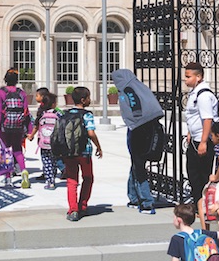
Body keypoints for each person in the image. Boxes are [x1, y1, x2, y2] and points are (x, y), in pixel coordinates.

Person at [112, 68, 164, 214]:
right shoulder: (140, 86)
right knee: (136, 163)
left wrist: (133, 123)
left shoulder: (126, 90)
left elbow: (133, 109)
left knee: (139, 165)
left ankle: (147, 201)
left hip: (139, 131)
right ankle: (133, 197)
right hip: (150, 128)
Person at [60, 86, 103, 221]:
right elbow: (90, 132)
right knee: (88, 178)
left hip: (68, 152)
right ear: (84, 100)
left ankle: (73, 210)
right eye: (89, 97)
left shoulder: (65, 114)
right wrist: (98, 146)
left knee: (72, 180)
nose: (90, 100)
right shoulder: (87, 115)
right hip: (84, 152)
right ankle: (82, 205)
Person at [183, 62, 219, 208]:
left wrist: (203, 142)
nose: (185, 80)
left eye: (188, 77)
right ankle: (199, 203)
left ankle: (203, 205)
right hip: (196, 138)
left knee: (200, 175)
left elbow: (207, 119)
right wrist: (190, 132)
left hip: (202, 141)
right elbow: (195, 117)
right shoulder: (196, 92)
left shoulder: (203, 95)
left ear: (198, 77)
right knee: (193, 173)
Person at [0, 69, 32, 189]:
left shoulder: (1, 93)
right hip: (18, 126)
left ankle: (8, 177)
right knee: (18, 150)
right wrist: (29, 130)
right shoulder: (22, 93)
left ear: (5, 79)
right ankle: (24, 171)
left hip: (5, 126)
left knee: (6, 151)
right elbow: (26, 113)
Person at [34, 90, 60, 188]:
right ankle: (53, 176)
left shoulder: (42, 114)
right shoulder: (58, 114)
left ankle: (50, 181)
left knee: (46, 161)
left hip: (44, 143)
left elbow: (37, 126)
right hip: (54, 143)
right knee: (53, 162)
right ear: (53, 104)